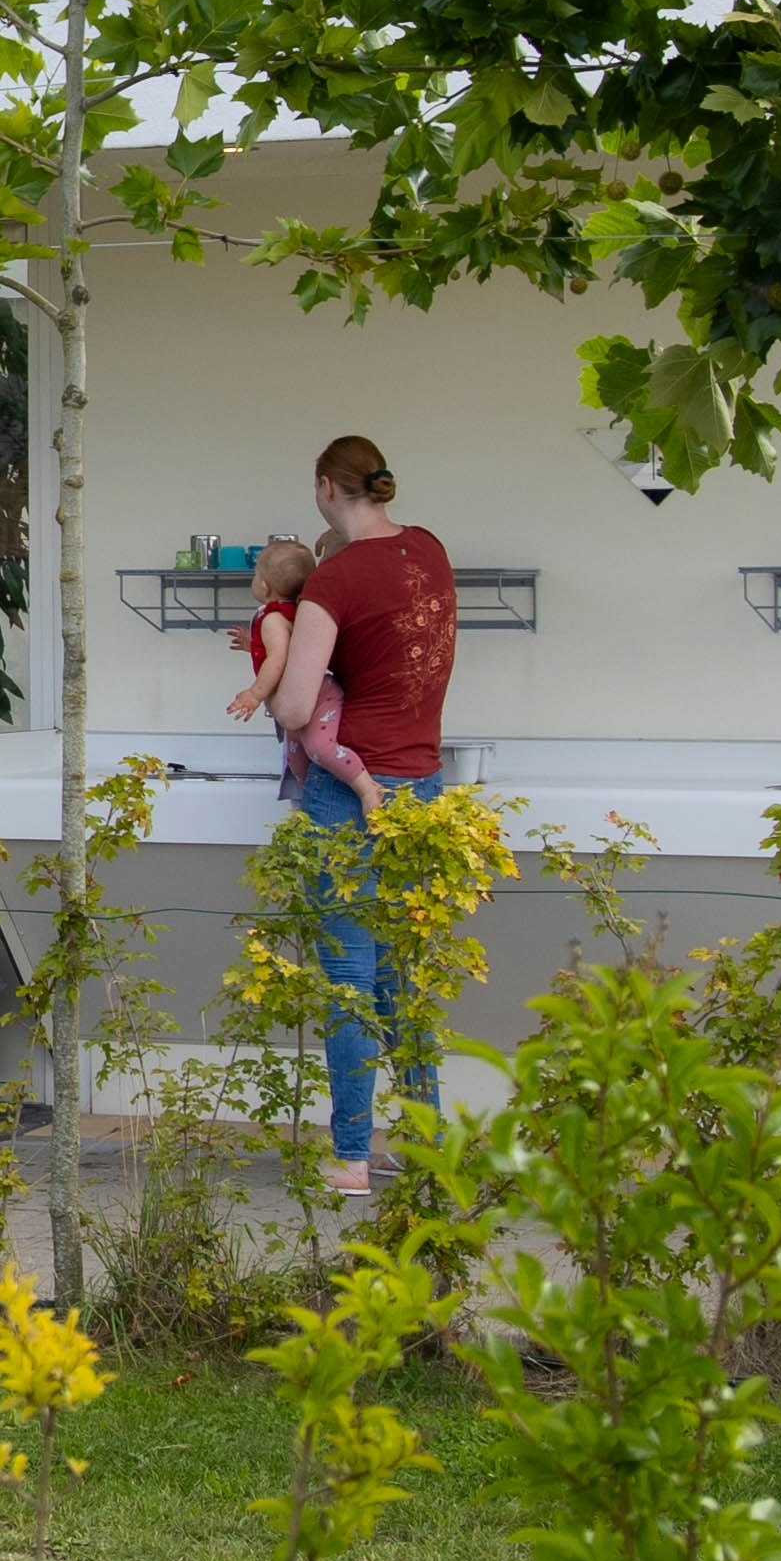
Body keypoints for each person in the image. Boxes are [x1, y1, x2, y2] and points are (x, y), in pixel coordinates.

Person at [254, 432, 461, 1187]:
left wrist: (268, 684)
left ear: (325, 488)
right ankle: (428, 1148)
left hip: (349, 794)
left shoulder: (335, 580)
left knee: (348, 975)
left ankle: (349, 1159)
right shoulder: (430, 551)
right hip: (424, 784)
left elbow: (301, 702)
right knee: (404, 976)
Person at [217, 534, 369, 790]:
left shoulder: (273, 620)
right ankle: (314, 794)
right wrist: (251, 645)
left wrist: (255, 694)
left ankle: (364, 785)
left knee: (321, 748)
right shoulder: (296, 611)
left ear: (264, 586)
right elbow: (284, 648)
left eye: (255, 574)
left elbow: (278, 659)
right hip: (306, 693)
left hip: (316, 694)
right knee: (297, 757)